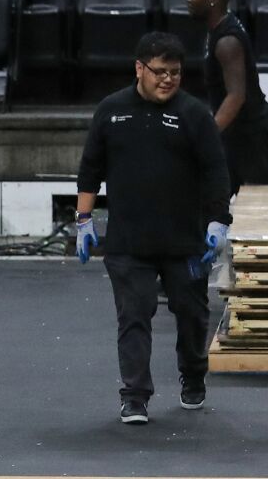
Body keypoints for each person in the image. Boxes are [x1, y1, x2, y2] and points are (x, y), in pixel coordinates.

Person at [72, 31, 232, 425]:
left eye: (175, 73)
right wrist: (83, 219)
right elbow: (90, 168)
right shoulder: (111, 111)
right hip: (129, 242)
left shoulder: (194, 115)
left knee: (193, 314)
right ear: (139, 68)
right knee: (134, 316)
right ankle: (135, 396)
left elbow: (216, 172)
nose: (168, 80)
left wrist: (217, 221)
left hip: (186, 241)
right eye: (160, 72)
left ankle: (193, 374)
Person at [186, 0, 268, 192]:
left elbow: (236, 96)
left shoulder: (227, 41)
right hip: (236, 132)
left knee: (259, 198)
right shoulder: (218, 28)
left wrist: (208, 133)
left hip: (247, 133)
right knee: (217, 193)